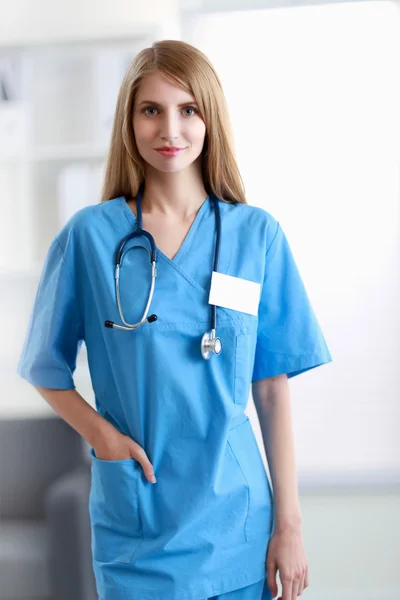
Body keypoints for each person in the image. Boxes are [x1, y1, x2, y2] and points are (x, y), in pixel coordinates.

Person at [16, 39, 332, 600]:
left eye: (188, 109)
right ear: (128, 122)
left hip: (238, 521)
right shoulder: (90, 238)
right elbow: (46, 367)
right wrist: (103, 439)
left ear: (210, 118)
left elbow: (272, 391)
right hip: (140, 523)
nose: (171, 129)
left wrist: (290, 526)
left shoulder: (255, 236)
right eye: (151, 110)